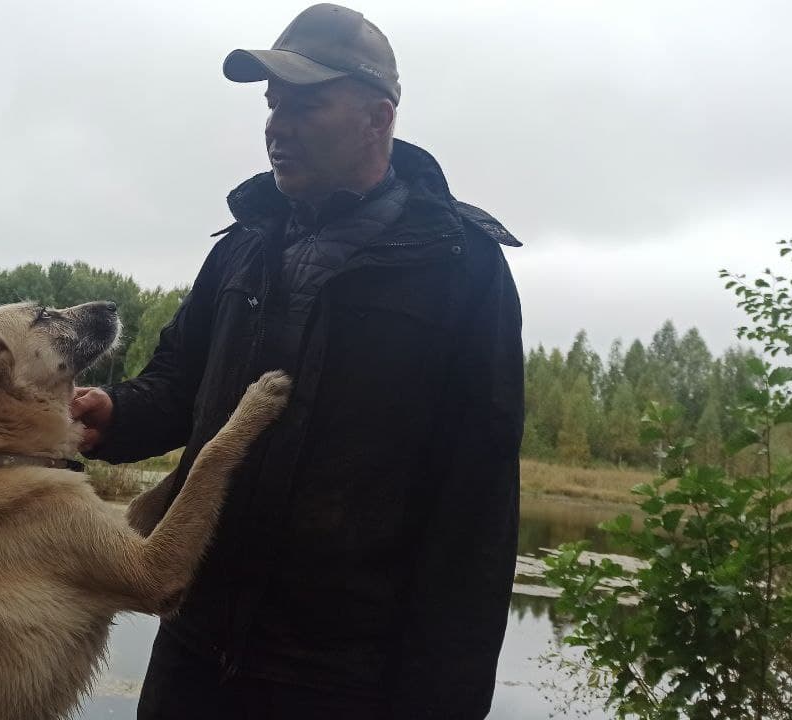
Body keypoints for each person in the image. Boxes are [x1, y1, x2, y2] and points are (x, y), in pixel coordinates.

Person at [72, 4, 524, 717]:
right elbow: (180, 383)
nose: (277, 126)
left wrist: (443, 697)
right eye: (273, 103)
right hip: (194, 640)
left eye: (307, 105)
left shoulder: (462, 267)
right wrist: (115, 413)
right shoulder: (241, 246)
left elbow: (477, 508)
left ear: (377, 119)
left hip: (341, 673)